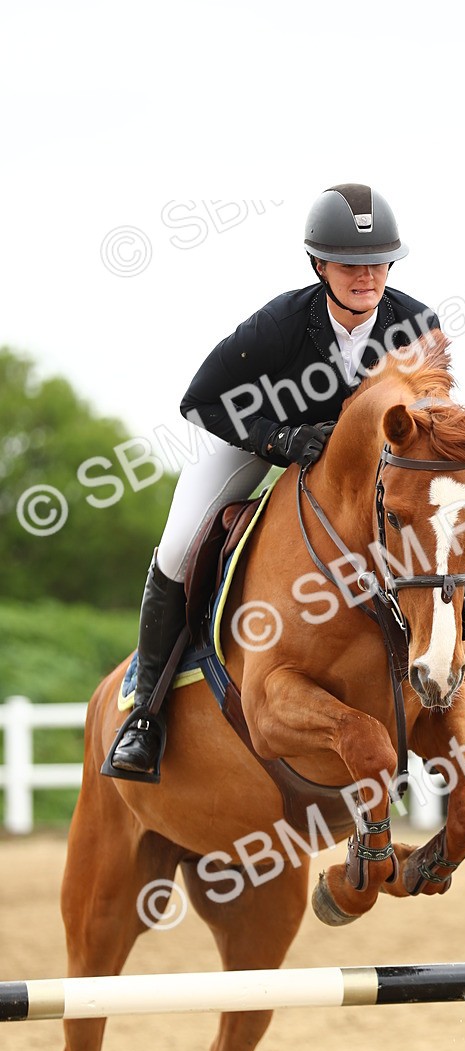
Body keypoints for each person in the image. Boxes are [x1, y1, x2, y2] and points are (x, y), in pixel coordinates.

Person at [109, 183, 440, 779]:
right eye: (348, 263)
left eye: (377, 262)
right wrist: (279, 440)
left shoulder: (416, 324)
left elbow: (431, 417)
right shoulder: (279, 324)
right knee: (180, 546)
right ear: (319, 265)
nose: (366, 276)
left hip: (362, 468)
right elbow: (200, 401)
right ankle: (145, 716)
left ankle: (431, 675)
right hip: (259, 443)